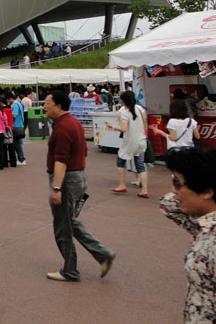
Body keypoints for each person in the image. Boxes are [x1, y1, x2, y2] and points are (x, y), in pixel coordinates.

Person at [44, 90, 115, 282]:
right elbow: (83, 152)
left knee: (63, 226)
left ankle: (70, 270)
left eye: (47, 103)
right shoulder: (73, 122)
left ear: (58, 106)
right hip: (79, 176)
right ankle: (102, 254)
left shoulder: (63, 128)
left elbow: (61, 161)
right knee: (70, 221)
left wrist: (57, 188)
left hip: (67, 179)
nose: (44, 106)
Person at [160, 146, 216, 323]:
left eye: (178, 183)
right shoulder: (206, 224)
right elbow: (167, 204)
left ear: (207, 192)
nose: (173, 190)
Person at [108, 91, 148, 198]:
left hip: (130, 142)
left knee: (120, 162)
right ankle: (144, 189)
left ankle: (122, 185)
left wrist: (113, 127)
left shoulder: (124, 112)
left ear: (123, 100)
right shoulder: (140, 109)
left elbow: (124, 129)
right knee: (140, 166)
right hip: (141, 140)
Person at [8, 93, 27, 166]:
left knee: (17, 144)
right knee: (18, 143)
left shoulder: (15, 105)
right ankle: (21, 158)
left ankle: (21, 159)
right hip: (20, 125)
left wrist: (8, 115)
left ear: (10, 98)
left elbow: (14, 115)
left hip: (16, 126)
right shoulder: (19, 103)